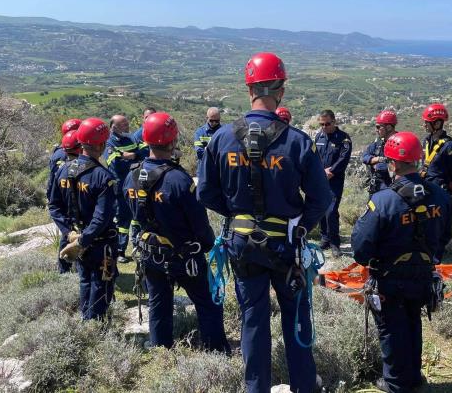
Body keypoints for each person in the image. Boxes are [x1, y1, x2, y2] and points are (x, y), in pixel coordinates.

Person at [197, 52, 332, 393]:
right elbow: (322, 199)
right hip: (286, 246)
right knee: (295, 315)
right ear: (281, 91)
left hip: (243, 245)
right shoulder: (297, 141)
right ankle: (304, 385)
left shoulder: (222, 138)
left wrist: (236, 214)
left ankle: (256, 388)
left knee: (253, 320)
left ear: (249, 90)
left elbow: (206, 193)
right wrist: (300, 227)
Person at [351, 131, 452, 393]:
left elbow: (361, 247)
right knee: (413, 322)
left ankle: (397, 383)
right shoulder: (440, 197)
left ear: (393, 164)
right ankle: (413, 377)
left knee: (392, 328)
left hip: (390, 278)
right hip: (423, 275)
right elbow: (445, 236)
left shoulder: (382, 201)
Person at [123, 112, 230, 352]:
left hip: (150, 253)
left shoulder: (131, 177)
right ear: (173, 141)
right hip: (184, 256)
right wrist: (207, 245)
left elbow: (132, 212)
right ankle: (215, 350)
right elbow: (199, 223)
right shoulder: (179, 180)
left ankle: (161, 349)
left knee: (158, 303)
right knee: (208, 302)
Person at [49, 117, 118, 320]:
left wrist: (69, 233)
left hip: (77, 238)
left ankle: (86, 322)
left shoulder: (63, 170)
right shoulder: (103, 176)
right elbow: (101, 217)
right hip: (99, 242)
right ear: (101, 145)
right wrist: (82, 240)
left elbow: (54, 206)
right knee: (101, 285)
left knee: (85, 280)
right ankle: (94, 327)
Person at [314, 110, 352, 256]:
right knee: (322, 209)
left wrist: (332, 171)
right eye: (321, 124)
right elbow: (314, 156)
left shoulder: (343, 139)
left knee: (331, 211)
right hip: (320, 179)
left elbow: (344, 158)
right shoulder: (319, 137)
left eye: (327, 124)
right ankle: (325, 238)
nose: (324, 127)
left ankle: (335, 243)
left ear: (334, 122)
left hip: (335, 180)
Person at [47, 118, 81, 273]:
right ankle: (67, 268)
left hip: (61, 196)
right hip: (68, 198)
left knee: (67, 232)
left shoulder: (58, 152)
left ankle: (65, 269)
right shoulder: (64, 155)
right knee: (69, 234)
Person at [103, 114, 138, 264]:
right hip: (120, 186)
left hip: (134, 183)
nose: (127, 126)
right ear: (114, 127)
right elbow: (116, 164)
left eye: (127, 123)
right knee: (122, 219)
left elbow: (144, 154)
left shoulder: (131, 138)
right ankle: (119, 251)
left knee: (137, 215)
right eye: (124, 124)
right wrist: (134, 159)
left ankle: (138, 246)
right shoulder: (108, 142)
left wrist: (130, 156)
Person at [420, 104, 452, 195]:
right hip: (425, 190)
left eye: (427, 122)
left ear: (437, 124)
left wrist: (445, 193)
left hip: (439, 193)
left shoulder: (450, 146)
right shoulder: (427, 141)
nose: (424, 125)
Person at [362, 110, 397, 195]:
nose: (376, 130)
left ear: (388, 127)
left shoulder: (400, 143)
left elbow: (398, 166)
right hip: (377, 187)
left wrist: (378, 165)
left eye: (378, 127)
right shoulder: (379, 143)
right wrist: (377, 159)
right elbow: (364, 156)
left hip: (392, 189)